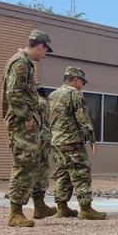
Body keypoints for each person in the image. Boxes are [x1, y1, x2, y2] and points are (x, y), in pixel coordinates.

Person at [2, 29, 53, 227]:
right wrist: (26, 116)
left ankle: (38, 206)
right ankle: (15, 213)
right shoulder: (21, 62)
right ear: (40, 45)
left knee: (33, 163)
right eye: (45, 51)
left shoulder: (23, 62)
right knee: (24, 165)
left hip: (23, 124)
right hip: (22, 122)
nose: (44, 55)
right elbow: (14, 93)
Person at [49, 66, 106, 220]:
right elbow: (83, 118)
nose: (83, 85)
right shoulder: (75, 94)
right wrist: (92, 138)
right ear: (76, 79)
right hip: (72, 141)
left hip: (57, 141)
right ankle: (86, 208)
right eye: (83, 82)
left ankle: (62, 208)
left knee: (63, 173)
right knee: (82, 172)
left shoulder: (52, 95)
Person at [29, 86, 57, 220]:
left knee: (40, 169)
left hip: (40, 139)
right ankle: (39, 205)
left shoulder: (39, 104)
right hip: (45, 138)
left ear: (36, 93)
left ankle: (39, 206)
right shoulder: (48, 104)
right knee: (42, 168)